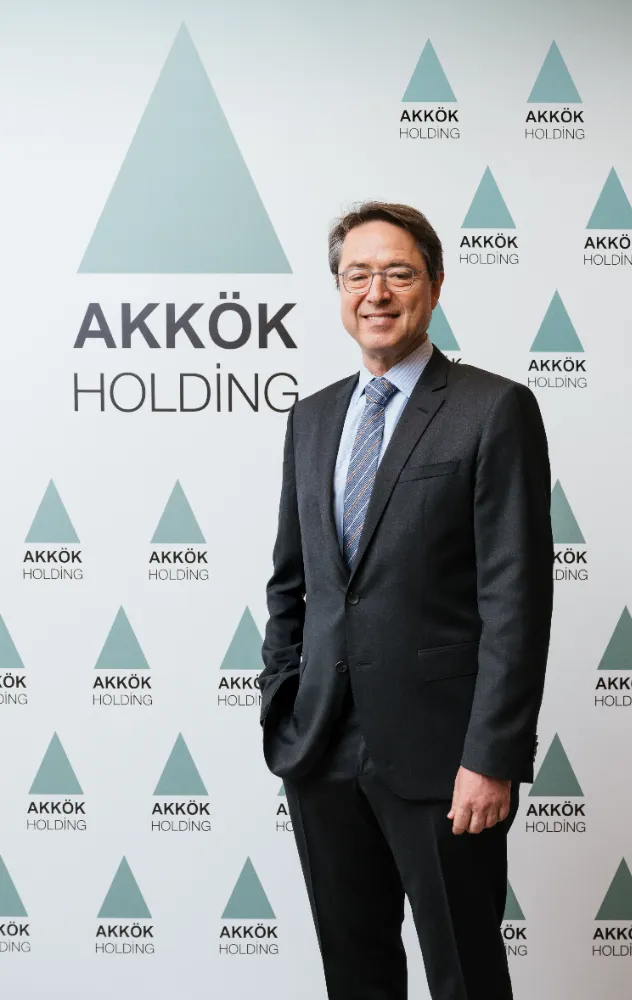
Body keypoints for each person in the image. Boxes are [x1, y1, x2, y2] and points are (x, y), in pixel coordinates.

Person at [259, 201, 553, 1000]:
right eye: (357, 276)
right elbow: (292, 581)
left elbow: (516, 599)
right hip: (320, 749)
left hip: (445, 760)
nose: (376, 293)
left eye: (398, 273)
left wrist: (491, 756)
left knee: (466, 978)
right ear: (339, 290)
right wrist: (282, 701)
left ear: (435, 284)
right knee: (355, 978)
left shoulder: (492, 408)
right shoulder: (313, 417)